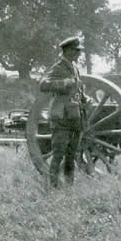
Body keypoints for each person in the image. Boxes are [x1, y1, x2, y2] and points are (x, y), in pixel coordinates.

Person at [41, 37, 89, 186]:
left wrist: (85, 98)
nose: (79, 54)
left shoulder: (74, 68)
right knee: (58, 153)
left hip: (75, 117)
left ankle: (69, 186)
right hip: (61, 118)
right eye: (76, 51)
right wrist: (65, 83)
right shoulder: (58, 68)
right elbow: (43, 84)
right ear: (67, 51)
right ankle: (53, 186)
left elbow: (78, 89)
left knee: (71, 154)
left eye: (79, 51)